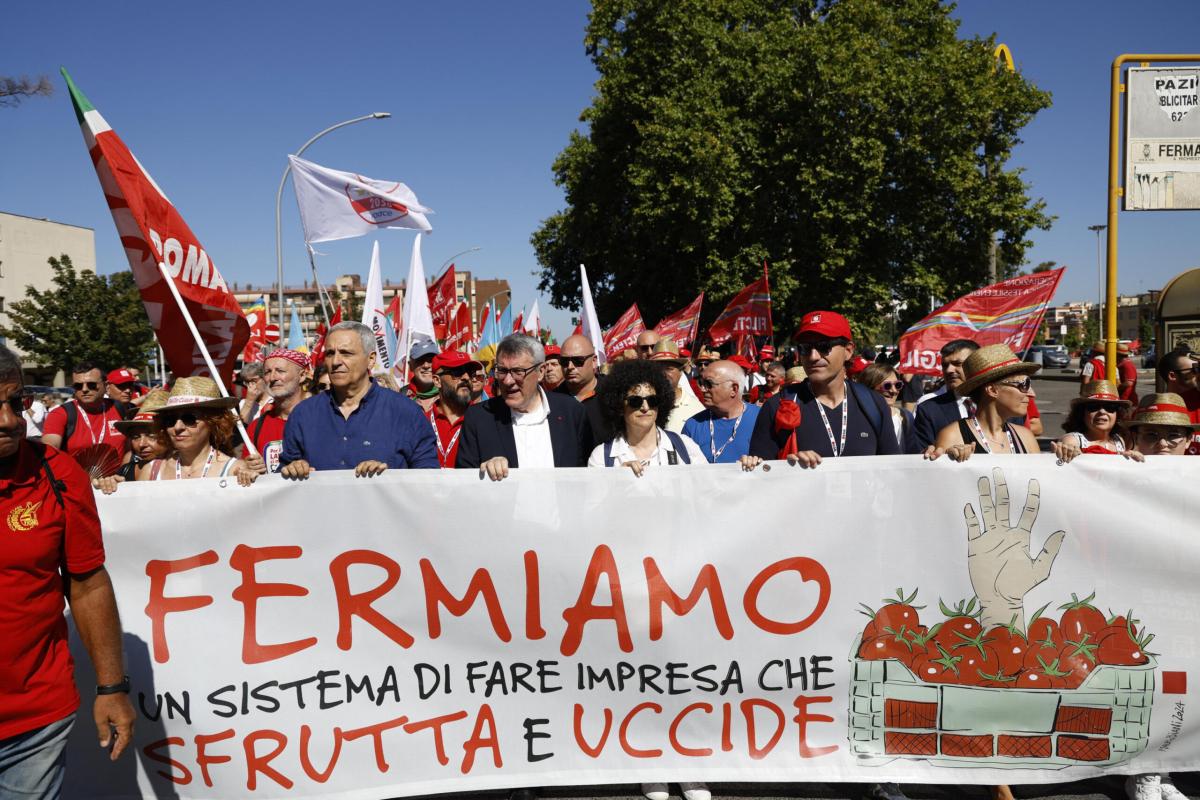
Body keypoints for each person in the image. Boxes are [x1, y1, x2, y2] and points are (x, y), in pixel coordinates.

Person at [0, 345, 136, 795]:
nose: (8, 420)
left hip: (35, 720)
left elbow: (89, 582)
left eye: (15, 403)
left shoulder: (57, 473)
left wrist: (111, 686)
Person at [280, 321, 439, 478]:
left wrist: (388, 476)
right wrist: (293, 469)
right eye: (330, 353)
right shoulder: (303, 414)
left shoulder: (406, 413)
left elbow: (427, 479)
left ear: (371, 359)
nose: (335, 362)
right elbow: (284, 475)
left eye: (346, 353)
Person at [746, 311, 899, 467]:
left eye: (824, 346)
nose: (813, 356)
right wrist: (787, 467)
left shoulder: (874, 404)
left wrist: (925, 458)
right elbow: (761, 478)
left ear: (848, 350)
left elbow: (895, 471)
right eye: (805, 348)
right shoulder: (776, 406)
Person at [457, 333, 592, 480]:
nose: (508, 381)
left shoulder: (571, 411)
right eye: (502, 371)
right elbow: (465, 483)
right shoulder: (479, 418)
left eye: (518, 371)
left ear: (540, 372)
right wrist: (484, 474)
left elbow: (587, 475)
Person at [589, 358, 705, 473]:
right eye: (635, 401)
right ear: (619, 407)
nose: (645, 407)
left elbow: (708, 488)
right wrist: (617, 479)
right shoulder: (601, 458)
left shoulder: (686, 447)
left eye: (652, 400)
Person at [926, 344, 1040, 460]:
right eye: (1024, 385)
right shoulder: (953, 436)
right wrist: (952, 459)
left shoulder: (1026, 438)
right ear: (992, 390)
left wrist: (1059, 458)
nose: (1032, 394)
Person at [148, 377, 255, 482]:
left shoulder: (236, 471)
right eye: (170, 420)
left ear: (213, 422)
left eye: (189, 419)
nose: (177, 427)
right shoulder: (151, 471)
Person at [41, 362, 127, 468]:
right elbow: (49, 451)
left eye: (91, 385)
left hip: (118, 481)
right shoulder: (60, 414)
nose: (84, 389)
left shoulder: (119, 408)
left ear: (106, 386)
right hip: (77, 481)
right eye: (78, 386)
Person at [95, 389, 173, 493]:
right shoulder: (125, 470)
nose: (141, 444)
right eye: (136, 437)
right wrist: (109, 484)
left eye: (151, 436)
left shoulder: (183, 471)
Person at [683, 359, 760, 464]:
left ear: (733, 389)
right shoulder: (693, 425)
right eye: (701, 383)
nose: (702, 389)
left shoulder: (761, 418)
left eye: (709, 384)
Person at [912, 339, 979, 449]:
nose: (949, 370)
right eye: (945, 365)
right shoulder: (928, 410)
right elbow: (921, 454)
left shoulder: (1000, 404)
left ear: (977, 364)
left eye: (957, 364)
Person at [1053, 381, 1137, 462]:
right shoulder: (1072, 440)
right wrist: (1067, 450)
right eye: (1094, 406)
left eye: (1110, 407)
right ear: (1082, 413)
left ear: (1118, 414)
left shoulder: (1118, 440)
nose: (1102, 412)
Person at [556, 334, 613, 445]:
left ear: (594, 361)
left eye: (578, 360)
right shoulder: (552, 400)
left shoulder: (614, 392)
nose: (570, 366)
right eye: (564, 361)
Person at [429, 350, 481, 467]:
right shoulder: (421, 420)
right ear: (437, 381)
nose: (466, 377)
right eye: (457, 372)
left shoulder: (484, 420)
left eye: (470, 372)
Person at [859, 363, 920, 454]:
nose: (894, 391)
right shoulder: (857, 417)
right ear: (870, 387)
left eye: (898, 385)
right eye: (887, 386)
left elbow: (912, 451)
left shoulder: (905, 416)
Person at [649, 340, 704, 433]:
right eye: (657, 369)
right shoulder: (641, 404)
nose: (663, 374)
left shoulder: (696, 409)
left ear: (681, 372)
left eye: (669, 369)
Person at [1127, 393, 1197, 457]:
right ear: (1136, 438)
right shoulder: (1124, 467)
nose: (1162, 444)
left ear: (1188, 440)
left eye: (1173, 435)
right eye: (1151, 435)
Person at [405, 338, 440, 412]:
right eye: (420, 360)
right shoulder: (400, 396)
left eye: (431, 360)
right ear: (410, 366)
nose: (426, 365)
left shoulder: (450, 395)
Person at [237, 360, 267, 424]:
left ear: (264, 378)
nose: (250, 385)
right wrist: (249, 401)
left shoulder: (276, 400)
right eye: (247, 382)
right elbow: (241, 425)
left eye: (254, 380)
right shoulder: (243, 403)